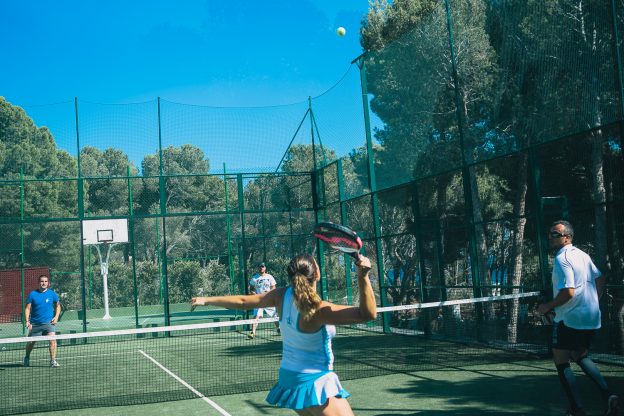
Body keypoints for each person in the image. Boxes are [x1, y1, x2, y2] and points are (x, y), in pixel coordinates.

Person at [191, 253, 376, 415]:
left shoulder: (280, 296)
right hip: (314, 382)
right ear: (317, 275)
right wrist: (363, 276)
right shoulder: (319, 310)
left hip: (290, 379)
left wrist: (205, 300)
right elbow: (367, 314)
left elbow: (242, 301)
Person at [538, 220, 619, 416]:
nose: (550, 237)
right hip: (590, 318)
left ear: (567, 238)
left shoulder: (562, 258)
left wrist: (547, 306)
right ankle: (608, 396)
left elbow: (569, 292)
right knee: (579, 355)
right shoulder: (583, 255)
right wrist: (592, 300)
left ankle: (576, 409)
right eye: (550, 233)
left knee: (561, 361)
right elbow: (600, 278)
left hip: (569, 319)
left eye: (555, 234)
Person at [23, 274, 62, 368]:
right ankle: (27, 357)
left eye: (45, 281)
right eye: (42, 281)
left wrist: (56, 317)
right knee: (31, 343)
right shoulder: (32, 294)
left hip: (49, 323)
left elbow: (58, 306)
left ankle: (53, 361)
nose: (43, 283)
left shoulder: (52, 293)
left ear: (48, 283)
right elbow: (27, 308)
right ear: (38, 282)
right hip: (35, 324)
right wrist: (27, 321)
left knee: (52, 341)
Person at [248, 262, 280, 339]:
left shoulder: (270, 277)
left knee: (274, 316)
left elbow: (273, 287)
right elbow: (251, 288)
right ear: (258, 268)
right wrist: (255, 294)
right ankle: (253, 332)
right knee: (256, 316)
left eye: (263, 266)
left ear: (265, 268)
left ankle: (279, 328)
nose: (261, 268)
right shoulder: (254, 278)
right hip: (259, 301)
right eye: (260, 267)